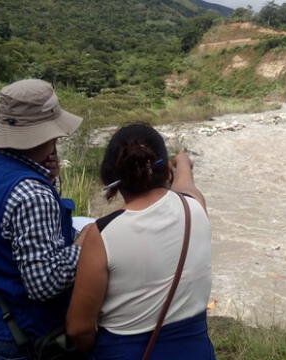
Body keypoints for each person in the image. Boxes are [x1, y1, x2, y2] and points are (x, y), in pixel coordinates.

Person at [66, 123, 215, 359]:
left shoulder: (102, 234)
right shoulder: (194, 207)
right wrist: (183, 163)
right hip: (194, 351)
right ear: (167, 170)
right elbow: (186, 184)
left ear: (110, 177)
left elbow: (79, 328)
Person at [0, 79, 83, 359]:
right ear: (42, 137)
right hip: (27, 331)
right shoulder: (31, 193)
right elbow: (44, 283)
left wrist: (48, 178)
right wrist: (82, 248)